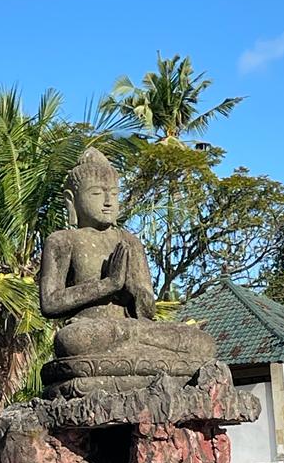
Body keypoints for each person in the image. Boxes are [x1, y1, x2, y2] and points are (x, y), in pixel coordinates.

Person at [39, 147, 215, 397]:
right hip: (92, 330)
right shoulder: (63, 240)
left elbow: (147, 310)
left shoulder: (130, 242)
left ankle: (137, 358)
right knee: (72, 340)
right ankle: (149, 365)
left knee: (203, 344)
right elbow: (50, 303)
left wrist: (134, 290)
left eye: (113, 193)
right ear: (72, 200)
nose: (108, 201)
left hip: (133, 329)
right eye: (97, 193)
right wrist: (108, 284)